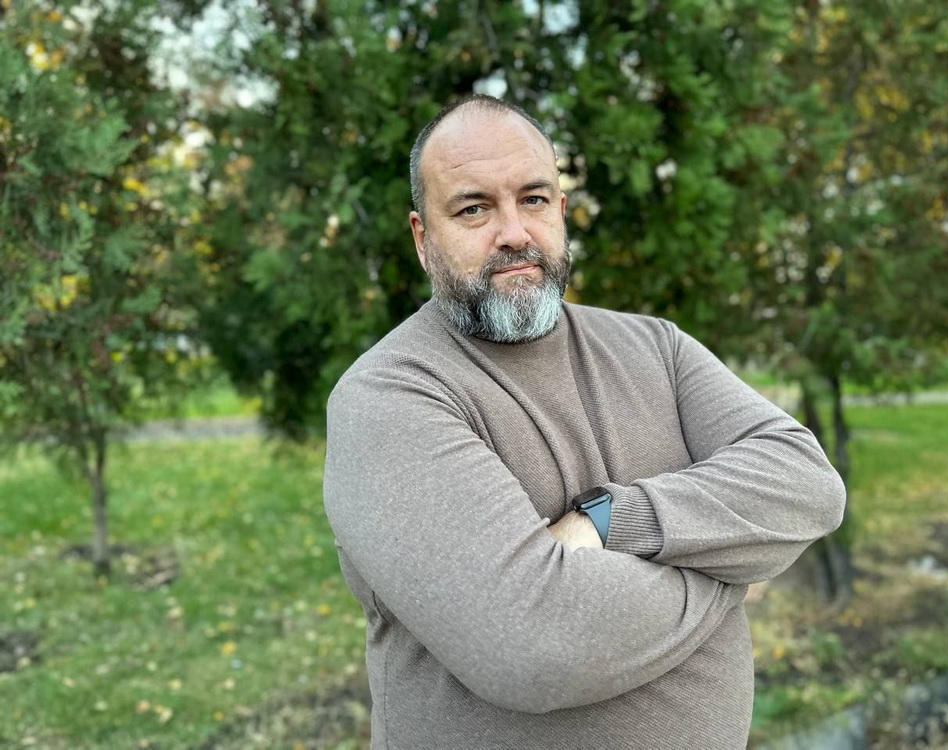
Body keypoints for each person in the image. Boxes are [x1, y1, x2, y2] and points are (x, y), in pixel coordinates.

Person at [323, 94, 846, 750]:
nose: (514, 232)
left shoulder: (657, 347)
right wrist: (731, 570)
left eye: (534, 199)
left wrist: (608, 520)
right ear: (423, 239)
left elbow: (808, 483)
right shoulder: (388, 396)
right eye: (473, 208)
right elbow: (531, 644)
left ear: (562, 211)